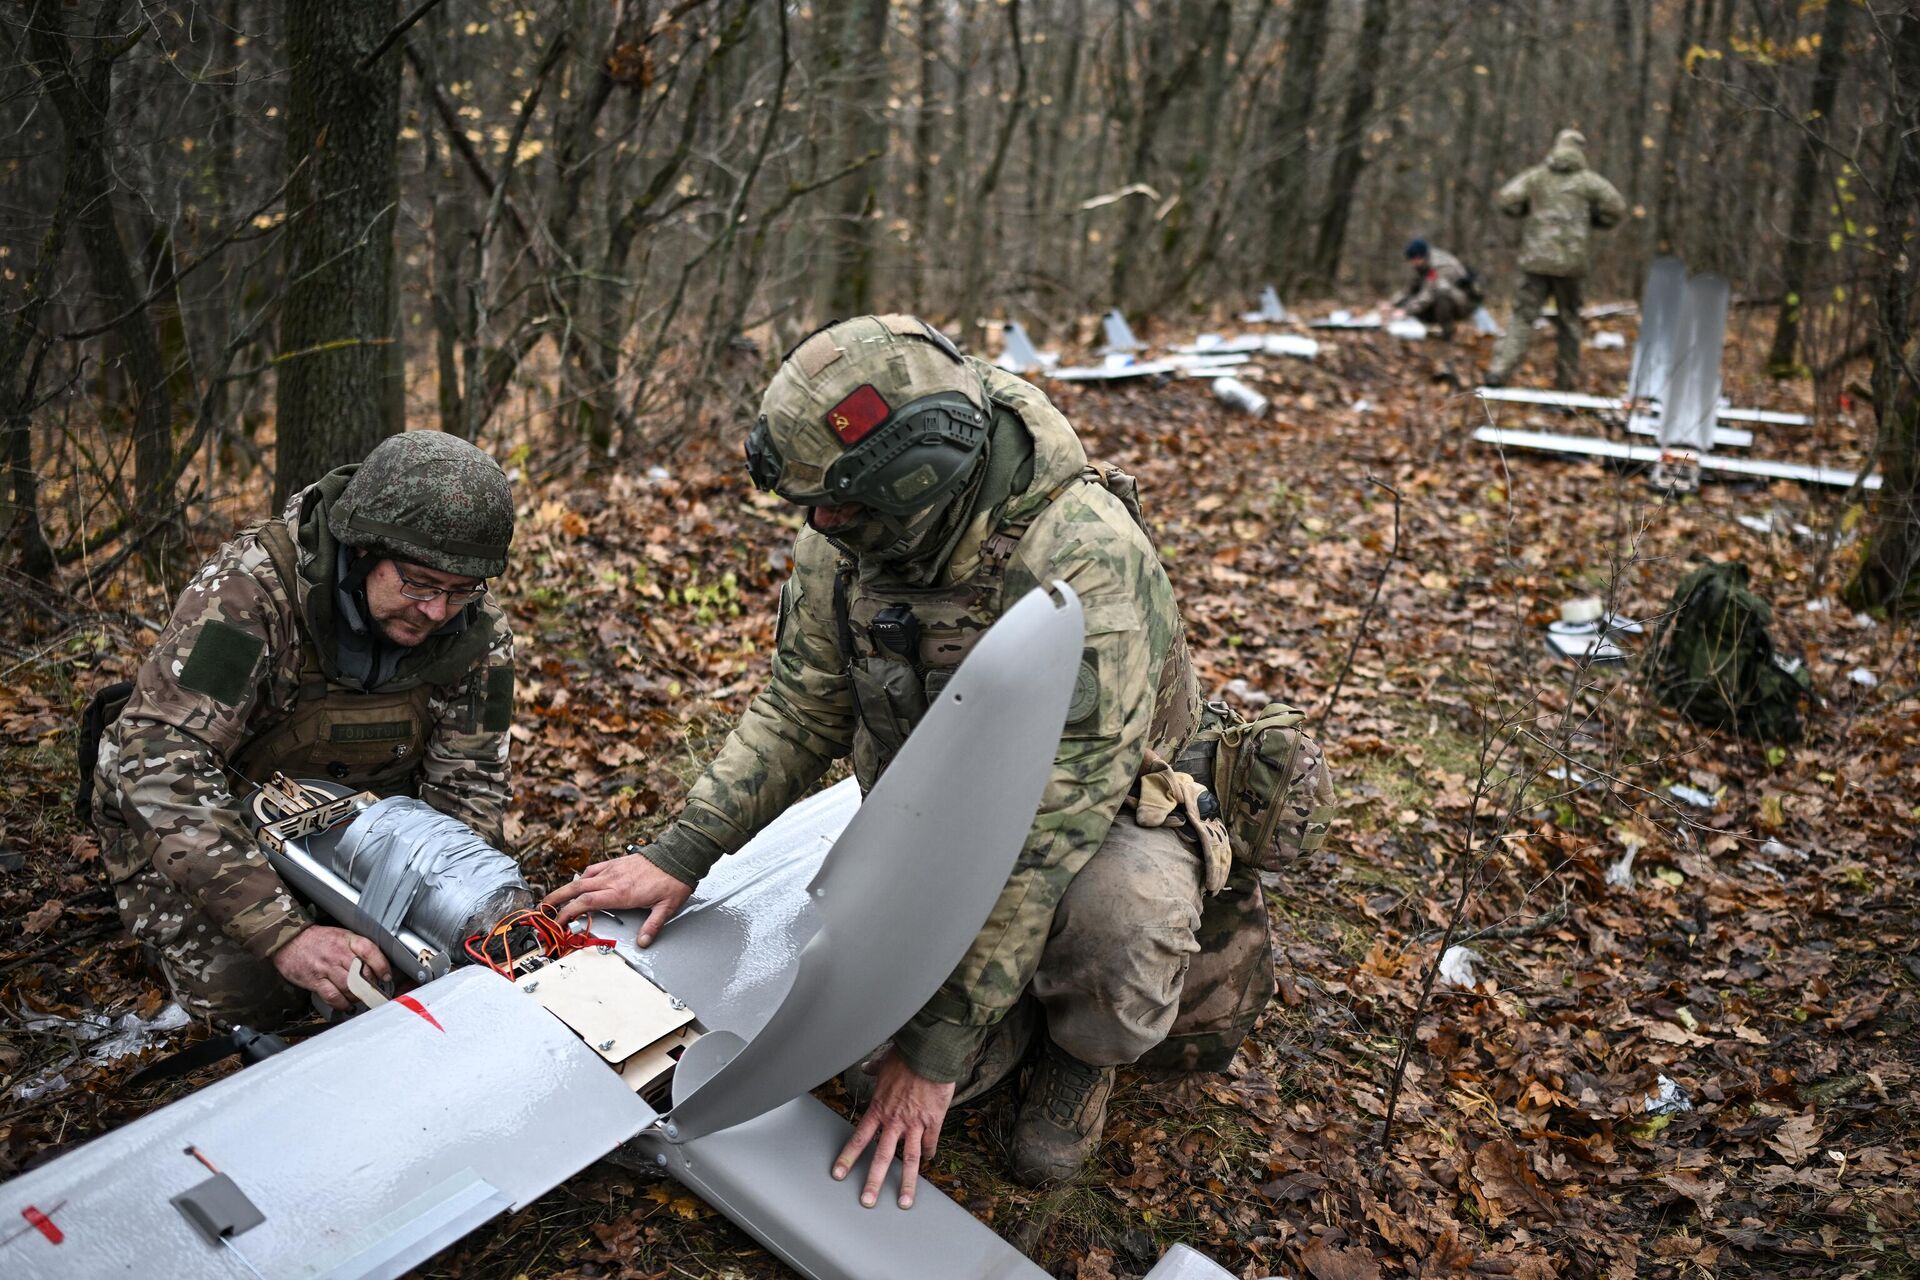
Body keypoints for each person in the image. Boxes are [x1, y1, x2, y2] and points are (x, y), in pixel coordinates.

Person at [546, 315, 1331, 1203]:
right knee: (858, 1068)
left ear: (916, 478)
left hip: (1097, 819)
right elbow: (803, 703)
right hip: (932, 808)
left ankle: (1081, 1056)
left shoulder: (1081, 558)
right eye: (812, 504)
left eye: (839, 506)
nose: (818, 523)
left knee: (1117, 922)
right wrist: (682, 851)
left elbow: (1042, 838)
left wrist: (936, 1050)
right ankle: (1006, 1016)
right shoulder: (846, 534)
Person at [88, 432, 518, 1025]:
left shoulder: (475, 633)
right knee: (262, 1001)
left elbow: (470, 790)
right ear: (362, 549)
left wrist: (449, 910)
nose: (437, 612)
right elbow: (163, 762)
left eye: (460, 591)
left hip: (361, 829)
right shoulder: (250, 592)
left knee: (462, 957)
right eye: (417, 583)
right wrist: (284, 934)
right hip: (220, 816)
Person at [1484, 129, 1627, 389]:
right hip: (1571, 264)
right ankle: (1566, 381)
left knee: (1523, 317)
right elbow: (1616, 208)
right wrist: (1594, 221)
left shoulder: (1537, 177)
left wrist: (1528, 210)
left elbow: (1507, 200)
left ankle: (1499, 371)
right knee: (1569, 321)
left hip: (1536, 261)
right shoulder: (1589, 182)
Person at [1390, 238, 1477, 340]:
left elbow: (1427, 295)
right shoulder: (1423, 264)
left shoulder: (1440, 266)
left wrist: (1406, 311)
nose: (1412, 263)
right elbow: (1409, 289)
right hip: (1442, 297)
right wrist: (1391, 303)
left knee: (1441, 291)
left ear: (1420, 257)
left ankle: (1448, 332)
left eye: (1414, 260)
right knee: (1413, 299)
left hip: (1463, 303)